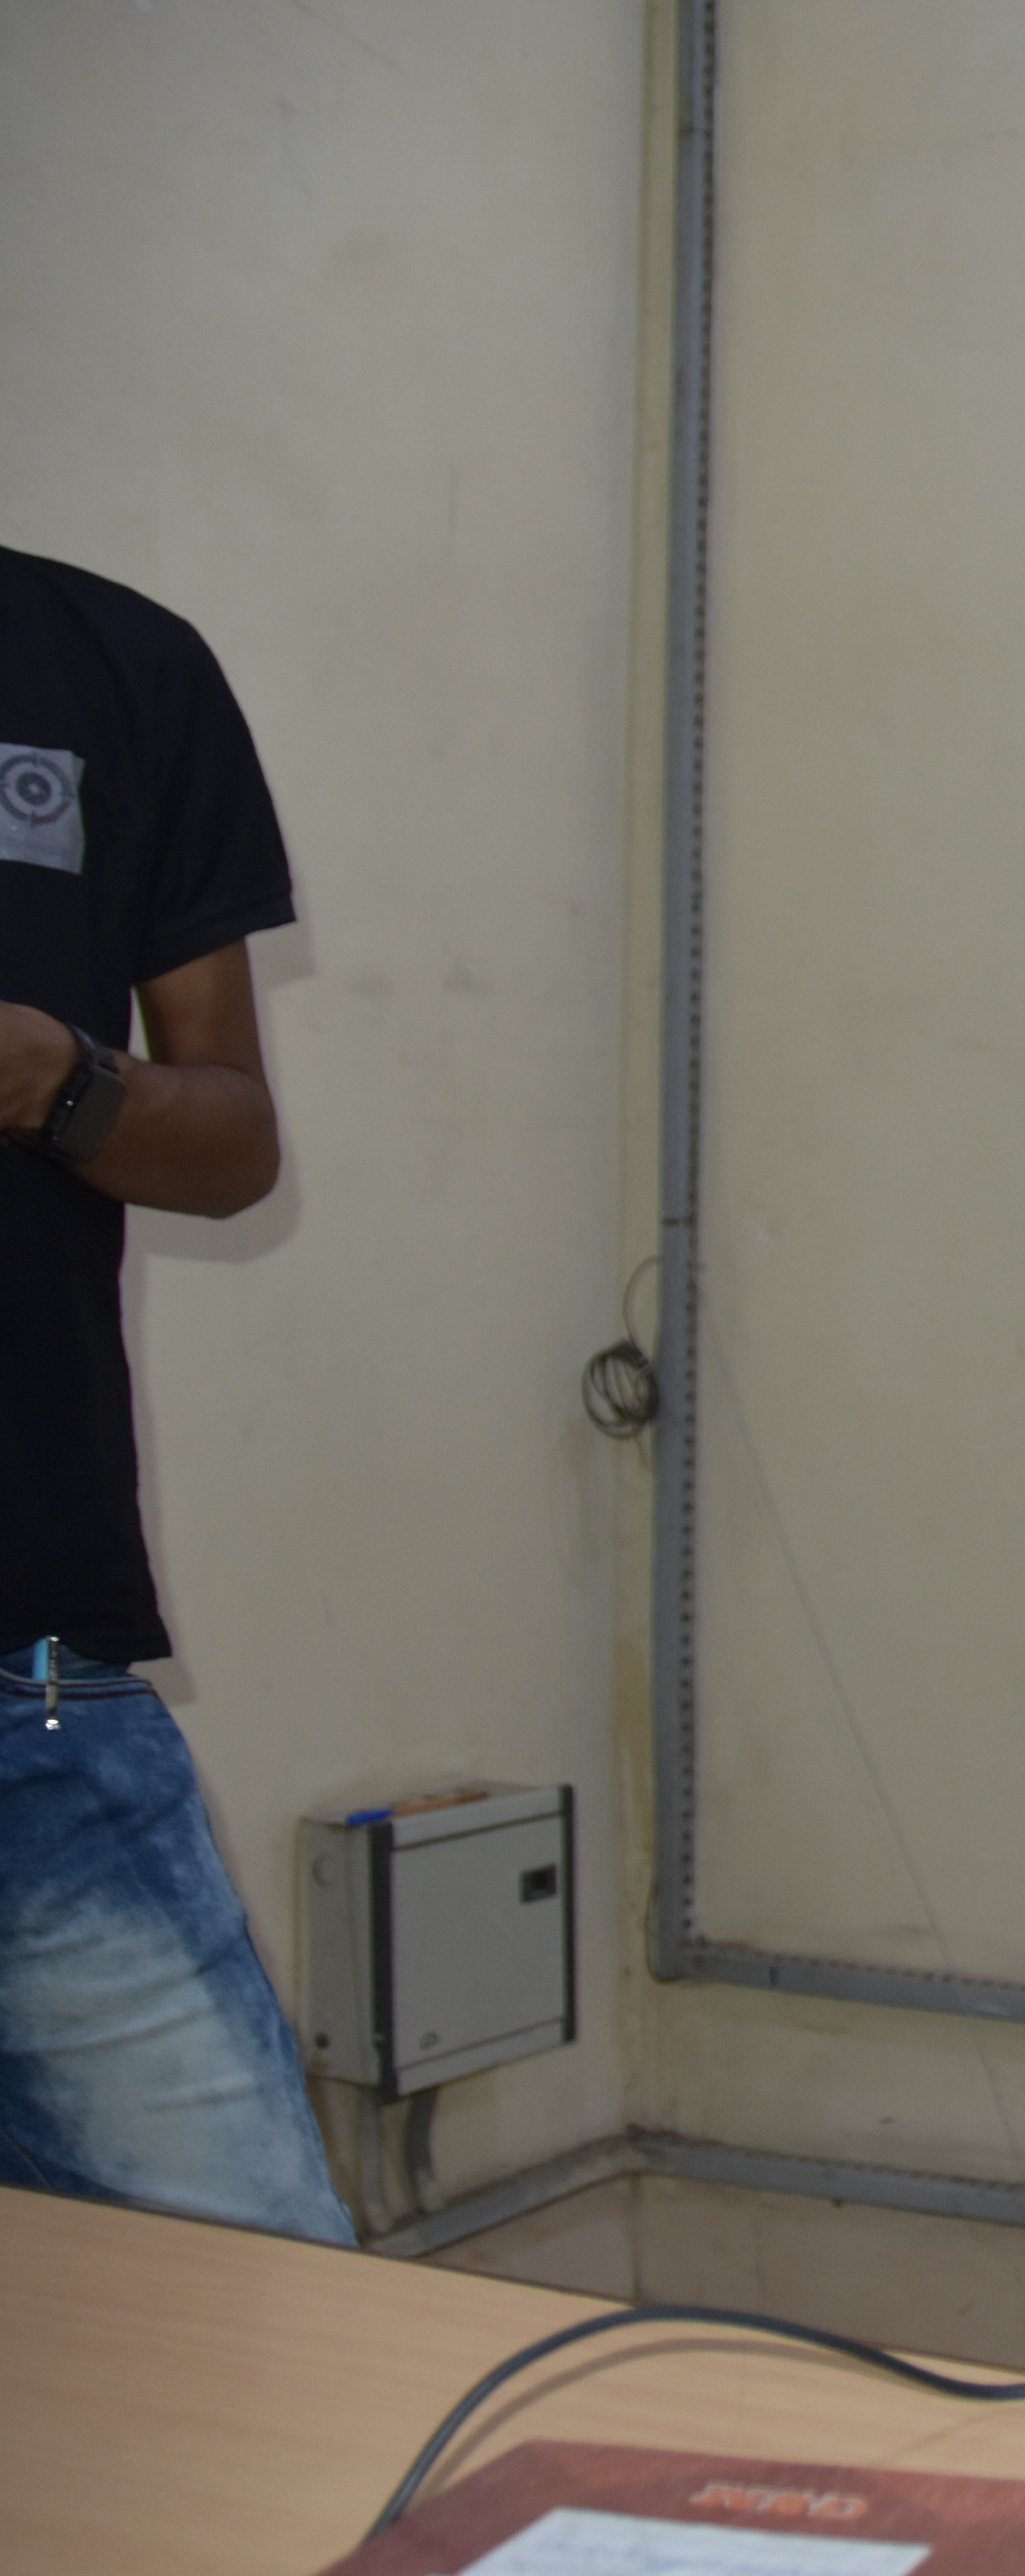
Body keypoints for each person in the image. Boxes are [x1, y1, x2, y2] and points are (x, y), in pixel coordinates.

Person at [1, 545, 351, 2245]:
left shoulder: (113, 663)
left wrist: (59, 1083)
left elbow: (232, 1144)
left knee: (270, 2319)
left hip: (28, 1692)